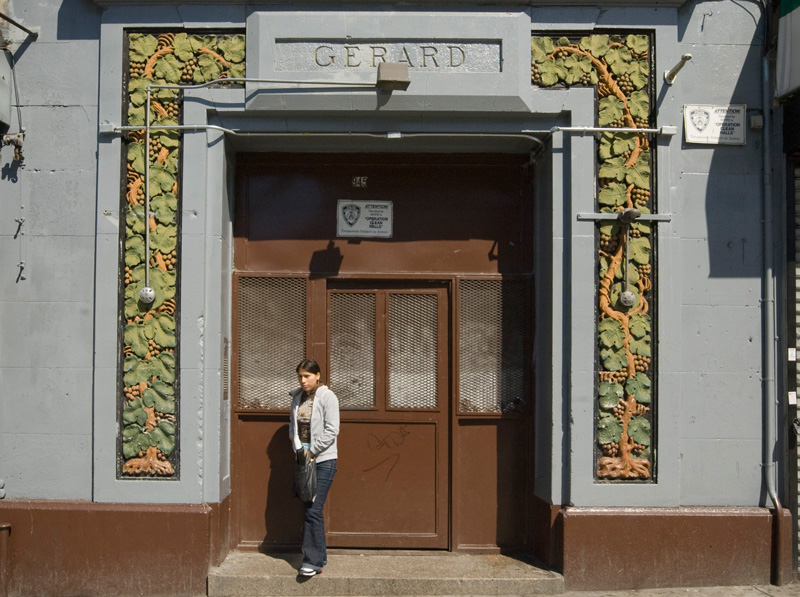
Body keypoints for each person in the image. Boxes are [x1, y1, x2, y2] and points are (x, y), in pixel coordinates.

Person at [288, 358, 340, 577]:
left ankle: (311, 561)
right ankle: (320, 558)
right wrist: (299, 448)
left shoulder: (328, 397)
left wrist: (313, 450)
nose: (303, 380)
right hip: (303, 460)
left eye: (307, 376)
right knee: (310, 508)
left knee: (313, 509)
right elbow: (293, 427)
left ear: (318, 375)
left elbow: (332, 430)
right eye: (300, 376)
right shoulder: (297, 397)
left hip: (323, 460)